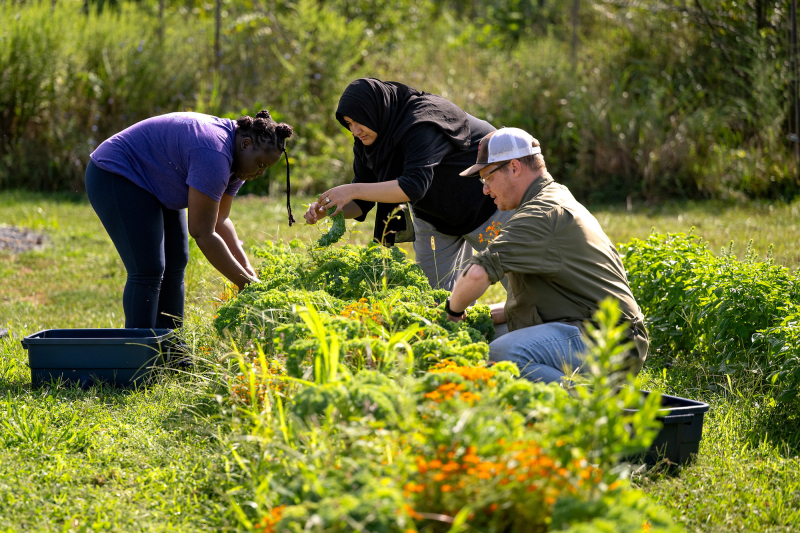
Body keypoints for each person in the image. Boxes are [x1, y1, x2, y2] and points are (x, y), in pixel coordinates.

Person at [444, 127, 648, 383]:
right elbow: (544, 299)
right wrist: (476, 316)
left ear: (515, 167)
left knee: (502, 353)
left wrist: (451, 315)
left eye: (487, 178)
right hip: (591, 328)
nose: (485, 189)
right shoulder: (553, 197)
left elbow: (476, 274)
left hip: (611, 342)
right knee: (480, 337)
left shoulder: (541, 213)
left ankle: (586, 409)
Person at [86, 110, 294, 330]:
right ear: (246, 144)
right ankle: (139, 355)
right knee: (148, 268)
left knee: (176, 261)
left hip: (154, 181)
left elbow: (219, 220)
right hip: (117, 172)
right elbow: (203, 233)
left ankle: (173, 352)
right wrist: (246, 284)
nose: (260, 173)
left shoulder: (238, 162)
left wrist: (248, 271)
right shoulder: (214, 154)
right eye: (261, 164)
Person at [302, 78, 513, 291]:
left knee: (523, 287)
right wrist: (327, 209)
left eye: (359, 121)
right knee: (433, 298)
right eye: (349, 124)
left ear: (375, 111)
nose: (355, 130)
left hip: (488, 207)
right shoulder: (369, 139)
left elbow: (413, 186)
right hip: (435, 217)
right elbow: (362, 202)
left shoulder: (422, 122)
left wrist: (351, 189)